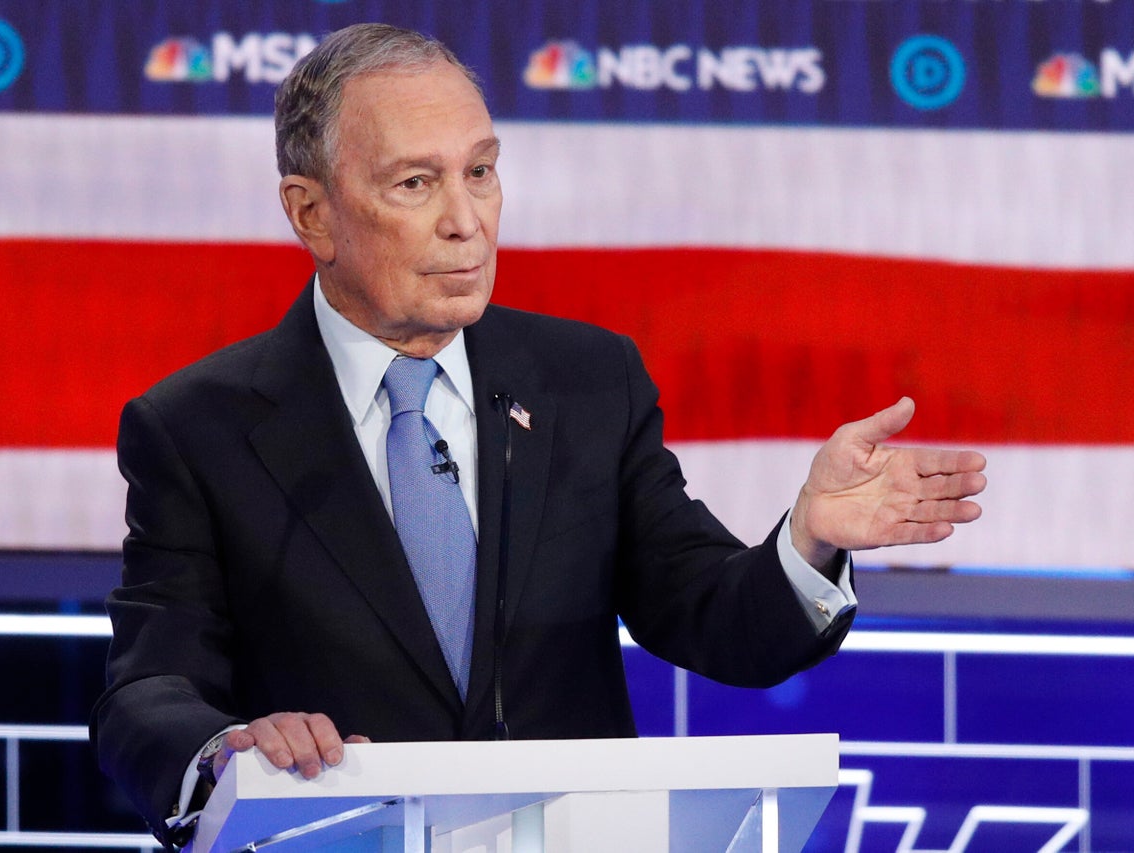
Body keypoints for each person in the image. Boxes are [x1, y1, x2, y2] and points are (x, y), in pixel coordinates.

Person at [90, 23, 986, 847]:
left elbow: (707, 611)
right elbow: (149, 688)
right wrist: (223, 749)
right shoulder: (198, 428)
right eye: (415, 182)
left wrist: (807, 540)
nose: (466, 219)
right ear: (311, 213)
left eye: (480, 171)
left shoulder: (587, 382)